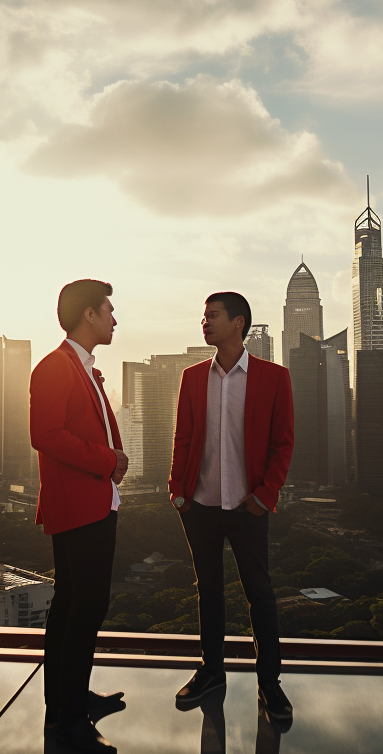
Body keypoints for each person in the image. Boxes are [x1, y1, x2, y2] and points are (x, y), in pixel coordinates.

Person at [167, 291, 295, 726]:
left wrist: (264, 495)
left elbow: (283, 444)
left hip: (247, 506)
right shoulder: (192, 377)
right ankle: (211, 672)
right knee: (209, 589)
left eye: (213, 316)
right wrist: (177, 491)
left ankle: (270, 683)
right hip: (199, 504)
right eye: (203, 316)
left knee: (259, 592)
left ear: (238, 323)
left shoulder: (273, 377)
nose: (205, 322)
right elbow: (182, 438)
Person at [31, 279, 128, 754]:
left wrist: (113, 463)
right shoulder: (56, 367)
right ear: (88, 314)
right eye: (109, 309)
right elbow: (46, 434)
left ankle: (68, 701)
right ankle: (69, 719)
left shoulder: (84, 367)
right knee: (83, 609)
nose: (114, 318)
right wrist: (109, 461)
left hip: (93, 502)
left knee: (72, 607)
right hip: (78, 507)